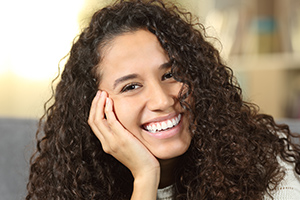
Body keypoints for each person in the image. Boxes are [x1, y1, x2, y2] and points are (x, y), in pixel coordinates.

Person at [26, 0, 300, 199]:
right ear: (96, 110)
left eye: (171, 74)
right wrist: (145, 178)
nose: (162, 100)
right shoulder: (71, 185)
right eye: (131, 86)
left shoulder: (266, 159)